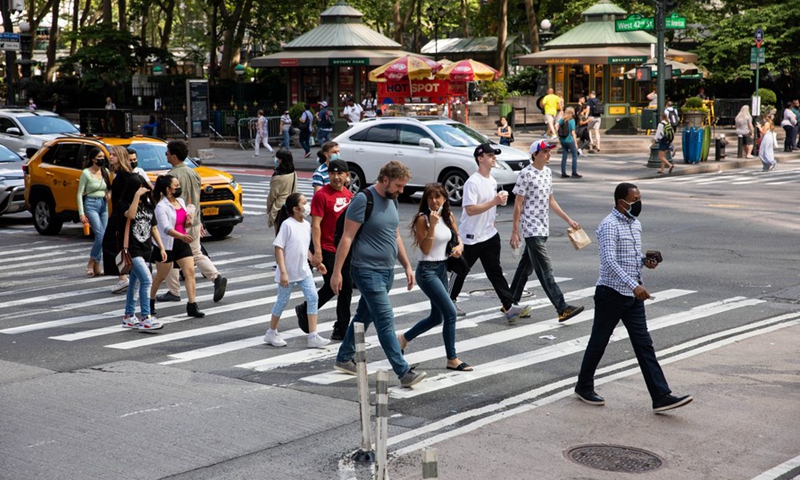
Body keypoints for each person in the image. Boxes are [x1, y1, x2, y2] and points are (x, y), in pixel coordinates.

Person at [575, 182, 693, 413]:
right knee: (599, 342)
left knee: (644, 344)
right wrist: (633, 286)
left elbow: (628, 256)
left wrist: (644, 262)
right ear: (622, 202)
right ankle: (583, 386)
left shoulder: (635, 224)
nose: (639, 203)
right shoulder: (609, 226)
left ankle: (661, 396)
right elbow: (609, 261)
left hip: (632, 295)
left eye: (639, 198)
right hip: (611, 294)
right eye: (635, 199)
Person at [331, 160, 427, 389]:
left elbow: (394, 236)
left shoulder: (392, 200)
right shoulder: (364, 199)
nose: (402, 191)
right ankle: (403, 372)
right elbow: (347, 237)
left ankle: (344, 358)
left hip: (386, 272)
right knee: (385, 319)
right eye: (398, 185)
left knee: (364, 316)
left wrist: (406, 266)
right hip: (365, 270)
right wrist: (337, 272)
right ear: (385, 180)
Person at [448, 144, 530, 322]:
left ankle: (509, 307)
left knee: (495, 272)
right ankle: (448, 301)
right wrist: (494, 201)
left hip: (489, 235)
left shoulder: (492, 180)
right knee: (460, 270)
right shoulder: (472, 182)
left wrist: (495, 209)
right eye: (490, 155)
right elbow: (470, 210)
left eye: (494, 155)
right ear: (480, 158)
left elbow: (488, 207)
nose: (494, 158)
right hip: (471, 237)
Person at [509, 140, 585, 323]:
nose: (549, 154)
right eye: (545, 152)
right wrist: (515, 231)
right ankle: (562, 308)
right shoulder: (525, 174)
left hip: (543, 228)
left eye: (549, 151)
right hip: (531, 229)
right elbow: (518, 205)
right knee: (546, 270)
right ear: (535, 154)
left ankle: (509, 303)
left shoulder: (548, 173)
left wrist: (569, 220)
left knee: (524, 269)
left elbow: (551, 200)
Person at [398, 183, 472, 371]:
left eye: (438, 197)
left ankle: (403, 339)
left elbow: (458, 238)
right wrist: (433, 225)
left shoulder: (448, 217)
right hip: (427, 271)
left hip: (442, 269)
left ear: (445, 199)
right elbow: (425, 249)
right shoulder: (423, 219)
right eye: (430, 197)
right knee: (451, 313)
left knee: (436, 317)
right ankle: (452, 359)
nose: (434, 201)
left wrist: (458, 248)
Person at [157, 141, 228, 304]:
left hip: (178, 223)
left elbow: (169, 202)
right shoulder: (194, 173)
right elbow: (197, 199)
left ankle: (174, 291)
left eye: (167, 152)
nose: (166, 155)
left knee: (169, 255)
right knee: (195, 253)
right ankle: (216, 277)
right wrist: (200, 220)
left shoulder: (172, 176)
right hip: (194, 220)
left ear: (174, 156)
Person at [295, 159, 354, 341]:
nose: (336, 177)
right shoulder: (322, 195)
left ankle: (341, 328)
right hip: (327, 247)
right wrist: (318, 251)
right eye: (332, 173)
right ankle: (308, 309)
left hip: (344, 248)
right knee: (332, 285)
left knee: (346, 288)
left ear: (347, 176)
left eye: (340, 174)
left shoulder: (350, 196)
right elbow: (316, 225)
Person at [263, 193, 331, 349]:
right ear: (295, 208)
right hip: (288, 272)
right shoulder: (287, 225)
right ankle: (271, 332)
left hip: (304, 270)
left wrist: (316, 262)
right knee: (282, 301)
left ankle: (313, 335)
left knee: (313, 297)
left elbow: (304, 247)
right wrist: (283, 272)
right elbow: (279, 248)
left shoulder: (306, 225)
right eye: (304, 203)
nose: (307, 206)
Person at [149, 175, 205, 319]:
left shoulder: (180, 201)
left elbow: (182, 223)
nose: (178, 188)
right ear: (168, 189)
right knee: (160, 276)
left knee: (190, 272)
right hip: (166, 245)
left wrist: (188, 222)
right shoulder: (161, 207)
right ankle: (150, 302)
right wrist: (181, 235)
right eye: (176, 186)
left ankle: (192, 305)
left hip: (181, 242)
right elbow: (166, 228)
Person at [121, 181, 167, 331]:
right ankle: (146, 318)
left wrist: (161, 247)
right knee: (147, 281)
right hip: (133, 251)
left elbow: (153, 228)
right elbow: (131, 215)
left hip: (146, 250)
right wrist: (136, 196)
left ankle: (129, 316)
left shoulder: (148, 206)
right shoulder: (124, 203)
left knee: (135, 284)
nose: (144, 189)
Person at [103, 146, 135, 294]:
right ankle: (125, 277)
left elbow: (127, 197)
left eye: (114, 155)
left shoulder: (123, 175)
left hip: (120, 215)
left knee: (113, 245)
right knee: (119, 246)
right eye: (110, 154)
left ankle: (123, 278)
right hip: (119, 213)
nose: (111, 157)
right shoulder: (119, 174)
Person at [77, 148, 111, 277]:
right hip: (91, 204)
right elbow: (80, 193)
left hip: (103, 205)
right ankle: (91, 262)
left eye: (103, 156)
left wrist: (108, 194)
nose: (102, 159)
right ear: (93, 159)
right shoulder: (86, 173)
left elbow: (108, 188)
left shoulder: (105, 171)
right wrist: (81, 213)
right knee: (100, 235)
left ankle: (97, 265)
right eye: (99, 157)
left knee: (104, 237)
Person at [266, 149, 298, 228]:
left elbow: (272, 196)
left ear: (281, 160)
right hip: (291, 205)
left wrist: (269, 209)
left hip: (280, 208)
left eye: (277, 158)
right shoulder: (293, 172)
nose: (276, 160)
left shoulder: (278, 177)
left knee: (280, 234)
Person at [557, 107, 581, 179]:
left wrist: (559, 135)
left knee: (564, 156)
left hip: (563, 140)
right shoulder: (572, 121)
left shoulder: (562, 119)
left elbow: (556, 125)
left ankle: (563, 173)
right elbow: (573, 133)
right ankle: (574, 172)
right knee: (574, 156)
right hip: (570, 140)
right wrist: (576, 143)